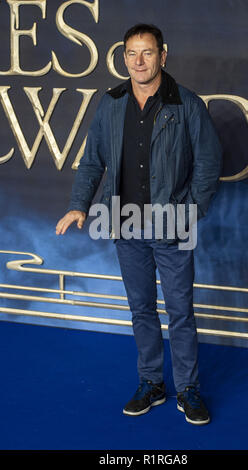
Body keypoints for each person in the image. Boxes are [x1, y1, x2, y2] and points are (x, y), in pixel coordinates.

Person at [56, 24, 222, 425]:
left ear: (163, 56)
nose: (139, 61)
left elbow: (208, 160)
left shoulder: (187, 104)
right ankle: (152, 383)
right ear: (124, 57)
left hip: (173, 224)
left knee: (180, 311)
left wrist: (192, 208)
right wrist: (80, 205)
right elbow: (93, 159)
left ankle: (188, 389)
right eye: (132, 53)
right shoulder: (111, 104)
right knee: (141, 309)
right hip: (124, 224)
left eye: (147, 52)